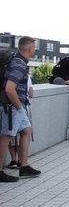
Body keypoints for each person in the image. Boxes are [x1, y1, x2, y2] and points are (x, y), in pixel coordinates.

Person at [0, 36, 41, 182]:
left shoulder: (17, 61)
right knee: (6, 136)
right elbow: (10, 89)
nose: (34, 50)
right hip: (12, 106)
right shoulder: (19, 64)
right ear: (30, 48)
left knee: (27, 130)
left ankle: (24, 167)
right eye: (34, 47)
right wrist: (18, 107)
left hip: (18, 106)